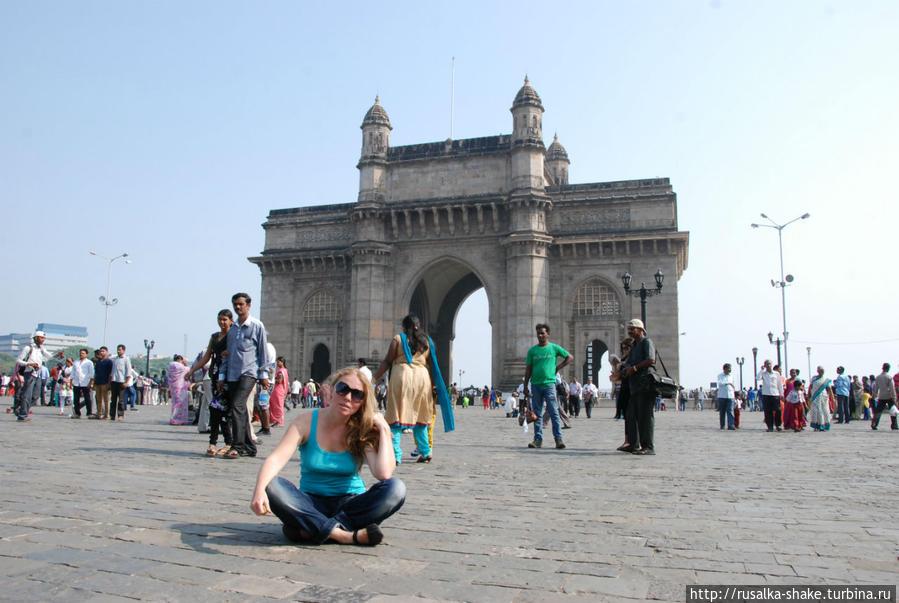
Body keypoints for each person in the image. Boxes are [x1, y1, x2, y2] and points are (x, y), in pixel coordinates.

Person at [250, 367, 406, 546]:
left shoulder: (361, 428)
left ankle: (312, 528)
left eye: (357, 395)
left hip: (350, 503)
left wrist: (384, 430)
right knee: (272, 485)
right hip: (310, 501)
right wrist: (259, 489)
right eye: (343, 389)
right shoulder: (306, 422)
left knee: (396, 489)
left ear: (363, 402)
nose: (347, 397)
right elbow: (276, 459)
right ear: (331, 390)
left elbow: (384, 474)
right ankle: (344, 535)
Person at [372, 314, 439, 463]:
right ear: (418, 326)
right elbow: (433, 366)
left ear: (404, 327)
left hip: (402, 377)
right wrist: (434, 386)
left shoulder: (398, 339)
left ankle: (395, 455)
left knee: (395, 416)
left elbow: (388, 361)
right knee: (421, 417)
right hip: (422, 379)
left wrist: (374, 378)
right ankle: (426, 452)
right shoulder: (427, 342)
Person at [224, 292, 273, 458]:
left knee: (237, 405)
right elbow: (228, 354)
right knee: (241, 409)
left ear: (249, 305)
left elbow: (262, 352)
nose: (238, 307)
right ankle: (249, 447)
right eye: (235, 304)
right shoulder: (232, 330)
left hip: (249, 372)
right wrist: (222, 377)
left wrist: (263, 374)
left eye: (241, 304)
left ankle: (237, 446)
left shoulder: (257, 326)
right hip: (232, 374)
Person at [186, 309, 235, 455]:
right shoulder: (214, 337)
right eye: (220, 319)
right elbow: (207, 357)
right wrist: (192, 370)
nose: (222, 322)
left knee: (222, 410)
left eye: (225, 319)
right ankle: (218, 442)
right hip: (215, 374)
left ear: (231, 321)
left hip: (228, 376)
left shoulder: (234, 336)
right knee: (215, 409)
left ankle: (225, 443)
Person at [523, 323, 572, 450]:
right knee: (537, 413)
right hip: (535, 385)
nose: (540, 335)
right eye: (538, 333)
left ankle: (558, 439)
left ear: (548, 334)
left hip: (549, 385)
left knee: (554, 412)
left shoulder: (554, 348)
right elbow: (528, 370)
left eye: (542, 333)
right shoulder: (532, 351)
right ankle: (538, 440)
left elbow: (569, 357)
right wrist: (525, 386)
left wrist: (558, 368)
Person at [621, 319, 656, 455]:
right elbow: (628, 363)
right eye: (628, 329)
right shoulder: (635, 345)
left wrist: (634, 368)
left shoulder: (646, 342)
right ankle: (633, 444)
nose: (629, 331)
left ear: (641, 330)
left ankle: (648, 446)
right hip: (635, 386)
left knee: (645, 416)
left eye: (632, 329)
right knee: (631, 415)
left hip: (645, 384)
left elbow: (650, 360)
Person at [13, 331, 64, 422]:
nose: (43, 340)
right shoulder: (28, 348)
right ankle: (22, 415)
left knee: (36, 395)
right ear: (36, 338)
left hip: (38, 374)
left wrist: (58, 356)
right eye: (41, 338)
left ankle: (20, 408)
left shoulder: (41, 349)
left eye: (44, 338)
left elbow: (50, 357)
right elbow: (18, 361)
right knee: (27, 395)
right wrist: (30, 364)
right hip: (29, 372)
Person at [757, 359, 784, 432]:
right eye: (767, 364)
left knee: (778, 410)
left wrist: (782, 394)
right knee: (768, 411)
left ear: (771, 365)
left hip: (775, 394)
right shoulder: (763, 373)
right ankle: (770, 426)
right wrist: (761, 370)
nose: (768, 365)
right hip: (766, 394)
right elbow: (758, 378)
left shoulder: (776, 373)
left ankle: (778, 425)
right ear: (765, 365)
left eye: (769, 364)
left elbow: (780, 384)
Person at [109, 344, 133, 422]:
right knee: (113, 399)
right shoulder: (115, 359)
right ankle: (112, 415)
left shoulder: (126, 359)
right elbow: (112, 371)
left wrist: (126, 382)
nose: (118, 351)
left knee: (121, 400)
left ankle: (120, 415)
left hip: (121, 381)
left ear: (124, 350)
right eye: (118, 349)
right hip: (114, 381)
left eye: (120, 350)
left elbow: (129, 371)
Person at [871, 363, 897, 430]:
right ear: (888, 369)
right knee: (893, 411)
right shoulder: (889, 377)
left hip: (881, 396)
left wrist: (874, 395)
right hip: (889, 396)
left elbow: (875, 388)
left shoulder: (878, 377)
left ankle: (874, 424)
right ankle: (894, 425)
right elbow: (892, 388)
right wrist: (894, 398)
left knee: (878, 411)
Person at [70, 348, 95, 419]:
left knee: (87, 398)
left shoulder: (89, 362)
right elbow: (73, 372)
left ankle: (89, 413)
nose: (81, 354)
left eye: (83, 353)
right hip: (76, 382)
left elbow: (91, 373)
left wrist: (91, 382)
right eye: (80, 353)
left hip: (85, 382)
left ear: (86, 354)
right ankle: (77, 413)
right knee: (76, 399)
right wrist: (71, 380)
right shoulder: (76, 362)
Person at [806, 366, 833, 431]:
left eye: (822, 371)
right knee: (815, 410)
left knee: (824, 410)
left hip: (823, 397)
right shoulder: (814, 378)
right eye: (820, 371)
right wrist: (809, 395)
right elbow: (810, 387)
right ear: (818, 371)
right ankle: (816, 425)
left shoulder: (825, 379)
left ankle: (823, 426)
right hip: (815, 397)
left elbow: (829, 389)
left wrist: (832, 397)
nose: (821, 372)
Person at [167, 355, 191, 425]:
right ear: (180, 359)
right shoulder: (179, 366)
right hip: (180, 386)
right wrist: (185, 362)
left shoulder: (170, 366)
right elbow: (188, 369)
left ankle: (175, 418)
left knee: (175, 403)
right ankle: (177, 419)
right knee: (180, 403)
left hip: (173, 387)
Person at [92, 347, 113, 420]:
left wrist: (109, 383)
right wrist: (94, 383)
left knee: (106, 400)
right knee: (98, 399)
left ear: (106, 352)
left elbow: (110, 373)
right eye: (101, 351)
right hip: (98, 382)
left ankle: (107, 415)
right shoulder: (98, 362)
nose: (101, 353)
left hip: (105, 382)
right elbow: (96, 373)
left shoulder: (109, 361)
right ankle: (99, 413)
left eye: (103, 351)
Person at [269, 356, 289, 428]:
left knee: (278, 406)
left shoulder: (281, 371)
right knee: (276, 405)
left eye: (278, 362)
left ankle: (280, 421)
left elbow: (280, 381)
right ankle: (277, 421)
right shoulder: (283, 370)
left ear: (282, 362)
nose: (277, 363)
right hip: (279, 389)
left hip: (278, 389)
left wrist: (273, 378)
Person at [716, 363, 736, 430]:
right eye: (728, 368)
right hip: (722, 395)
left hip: (730, 395)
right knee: (722, 411)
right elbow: (720, 383)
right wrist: (728, 383)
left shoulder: (731, 376)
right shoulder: (720, 376)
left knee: (730, 410)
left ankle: (731, 425)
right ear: (725, 369)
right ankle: (722, 425)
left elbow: (733, 385)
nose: (730, 370)